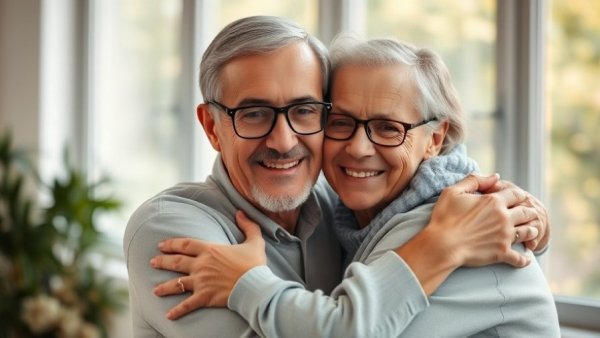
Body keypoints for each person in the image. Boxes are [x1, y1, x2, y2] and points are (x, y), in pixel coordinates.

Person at [125, 16, 549, 337]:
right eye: (253, 114)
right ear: (212, 126)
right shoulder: (170, 229)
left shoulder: (351, 209)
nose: (283, 140)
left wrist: (524, 226)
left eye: (304, 110)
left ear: (435, 138)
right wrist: (439, 246)